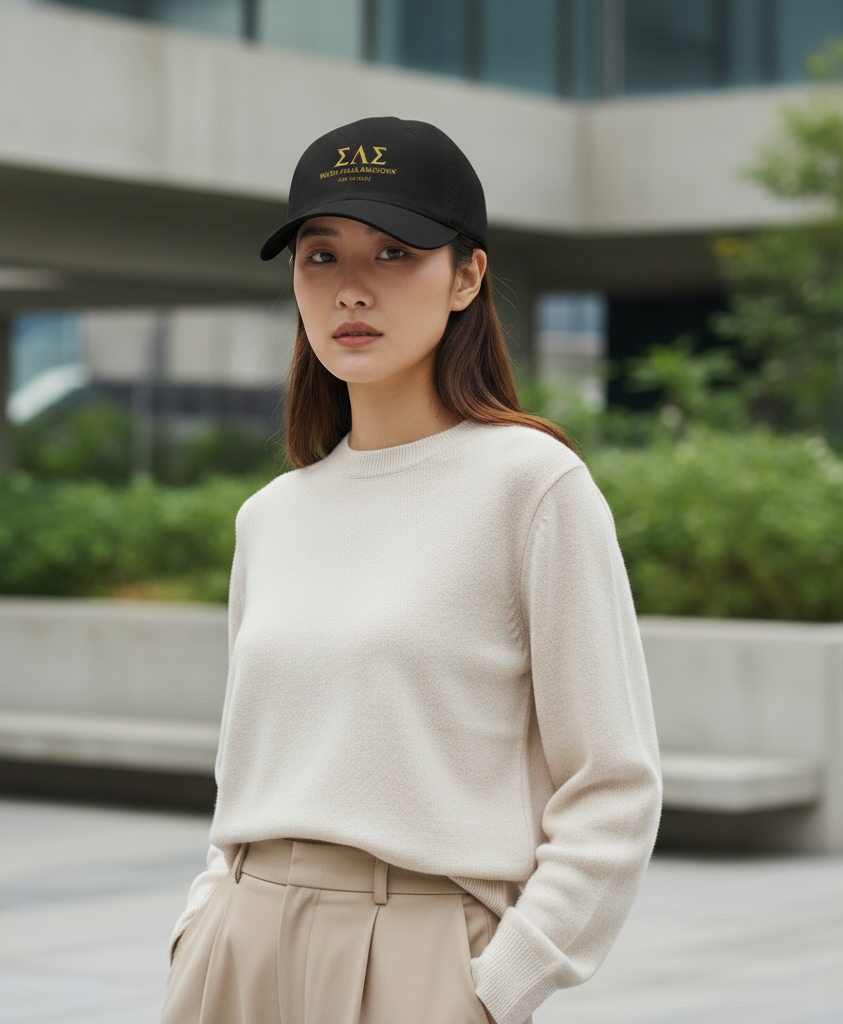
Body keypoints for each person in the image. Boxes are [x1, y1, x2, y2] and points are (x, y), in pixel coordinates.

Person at [160, 116, 661, 1024]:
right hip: (237, 948)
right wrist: (200, 929)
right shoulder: (271, 517)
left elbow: (614, 785)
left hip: (420, 956)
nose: (352, 289)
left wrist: (494, 989)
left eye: (395, 253)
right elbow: (247, 773)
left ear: (466, 275)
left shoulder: (533, 486)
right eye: (321, 257)